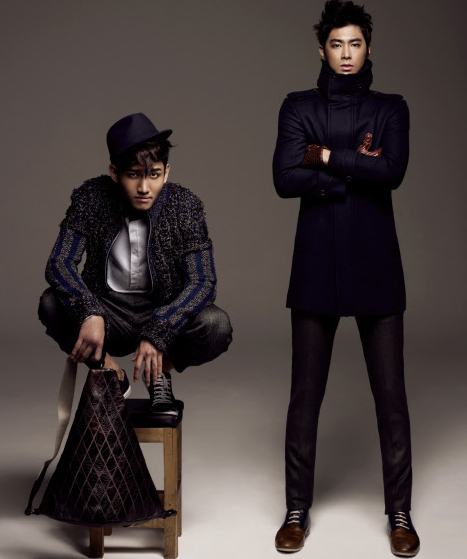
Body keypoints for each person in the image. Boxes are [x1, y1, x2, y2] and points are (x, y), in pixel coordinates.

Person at [272, 1, 419, 555]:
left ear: (368, 47)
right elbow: (284, 179)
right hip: (316, 267)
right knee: (304, 397)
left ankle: (400, 513)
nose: (347, 54)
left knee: (391, 399)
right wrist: (356, 168)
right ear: (322, 50)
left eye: (355, 43)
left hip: (377, 266)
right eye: (337, 44)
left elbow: (393, 172)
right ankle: (296, 510)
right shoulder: (298, 106)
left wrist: (325, 156)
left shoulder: (391, 108)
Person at [39, 112, 233, 415]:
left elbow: (203, 280)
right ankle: (109, 370)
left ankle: (158, 372)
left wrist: (161, 329)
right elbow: (59, 263)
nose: (144, 187)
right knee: (51, 303)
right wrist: (89, 310)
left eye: (154, 175)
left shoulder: (185, 205)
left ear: (166, 173)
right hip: (107, 312)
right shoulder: (92, 198)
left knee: (216, 325)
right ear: (115, 173)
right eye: (133, 175)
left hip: (161, 309)